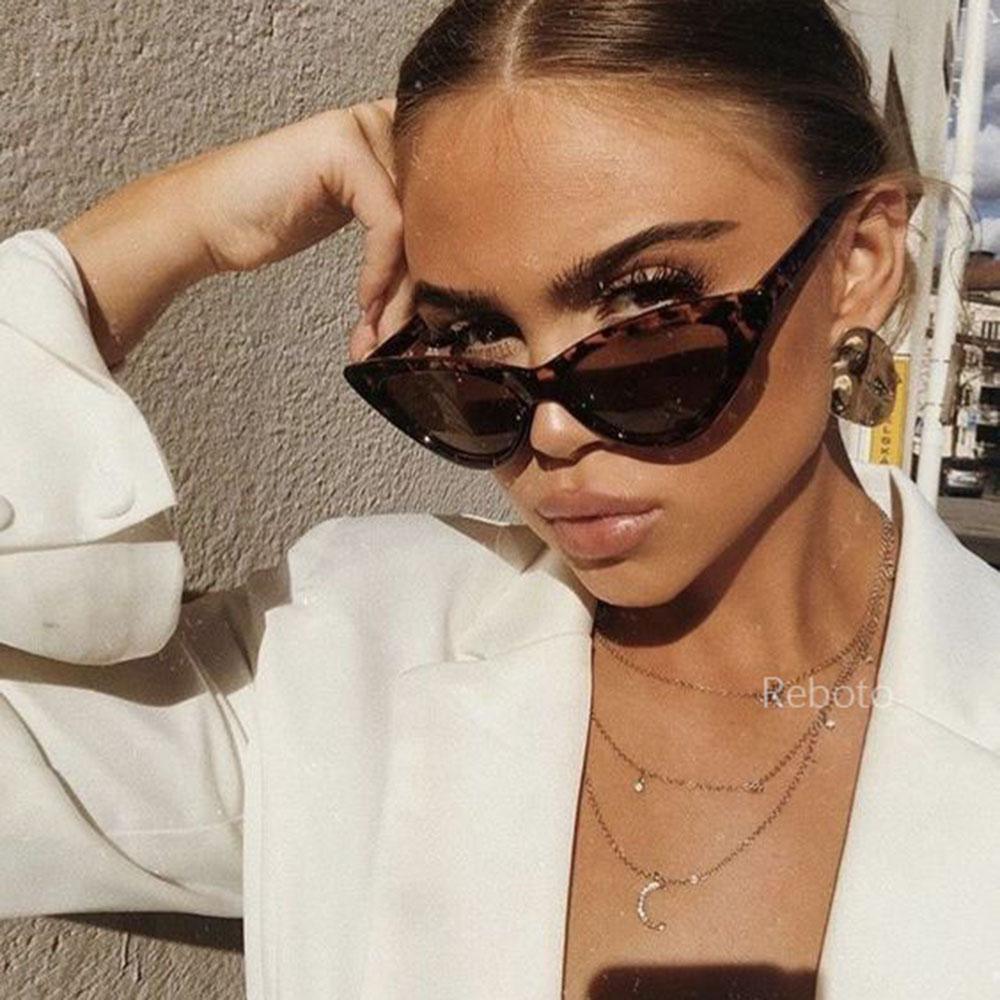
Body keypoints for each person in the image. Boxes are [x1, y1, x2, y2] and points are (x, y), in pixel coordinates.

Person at [1, 1, 998, 998]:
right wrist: (144, 243)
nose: (550, 431)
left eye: (649, 306)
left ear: (858, 262)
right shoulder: (341, 659)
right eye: (473, 341)